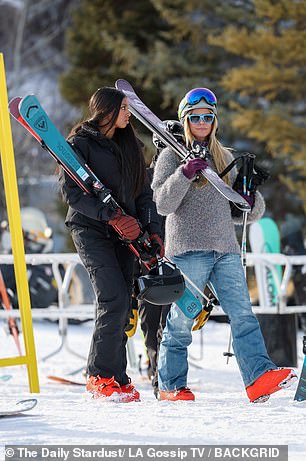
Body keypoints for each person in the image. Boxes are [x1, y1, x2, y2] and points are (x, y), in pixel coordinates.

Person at [151, 87, 297, 402]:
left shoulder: (224, 157)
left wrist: (249, 196)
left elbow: (244, 213)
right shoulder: (171, 155)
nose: (202, 122)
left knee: (243, 315)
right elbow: (162, 203)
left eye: (208, 117)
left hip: (225, 249)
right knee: (181, 320)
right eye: (195, 117)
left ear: (214, 121)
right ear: (185, 120)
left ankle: (258, 377)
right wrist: (184, 173)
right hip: (188, 249)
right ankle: (171, 386)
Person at [60, 87, 163, 402]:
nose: (128, 114)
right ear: (107, 109)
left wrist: (152, 228)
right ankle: (100, 376)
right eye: (124, 108)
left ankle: (116, 377)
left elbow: (144, 192)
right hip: (91, 229)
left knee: (124, 302)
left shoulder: (130, 145)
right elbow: (74, 195)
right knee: (114, 298)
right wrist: (111, 216)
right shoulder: (79, 145)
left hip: (127, 234)